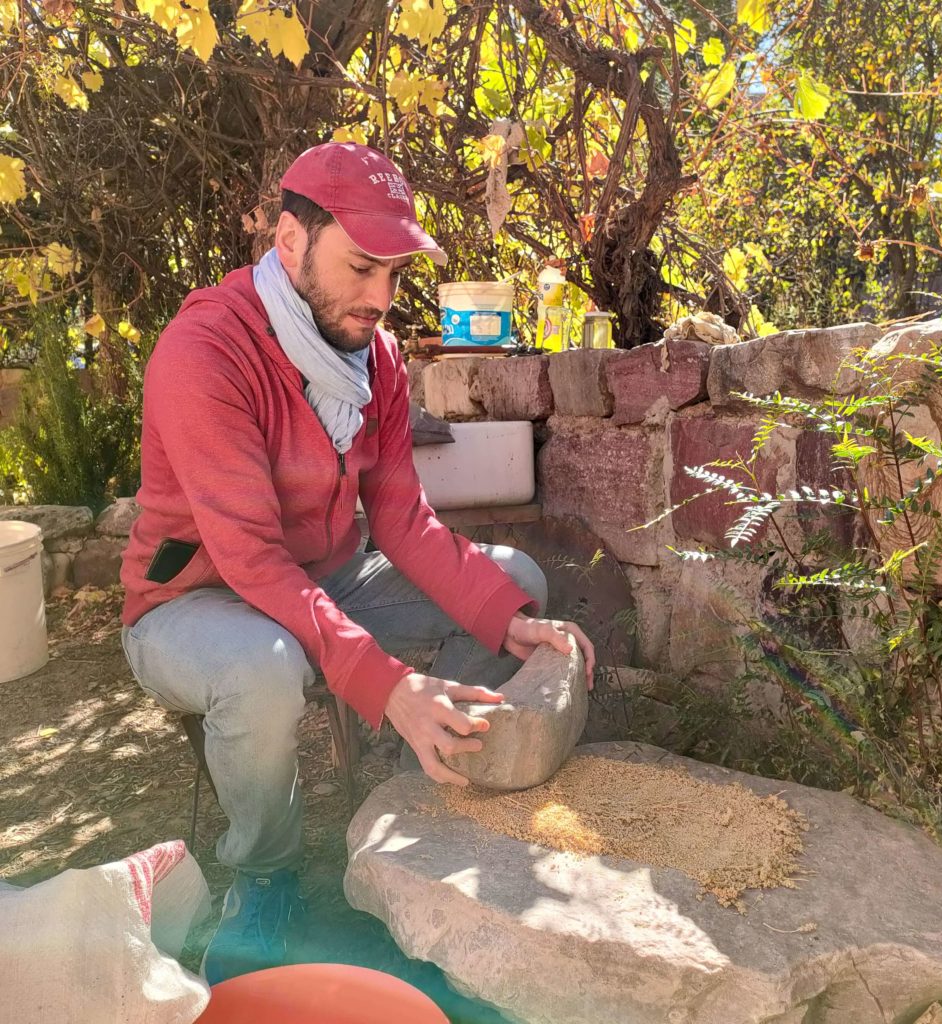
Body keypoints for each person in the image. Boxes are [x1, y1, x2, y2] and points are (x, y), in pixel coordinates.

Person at [118, 141, 595, 985]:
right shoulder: (206, 352)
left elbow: (404, 521)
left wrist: (509, 622)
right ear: (291, 242)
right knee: (263, 667)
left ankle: (432, 798)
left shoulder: (372, 358)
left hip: (327, 582)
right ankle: (264, 876)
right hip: (196, 601)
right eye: (363, 267)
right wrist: (389, 685)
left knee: (515, 583)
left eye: (397, 274)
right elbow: (252, 560)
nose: (382, 298)